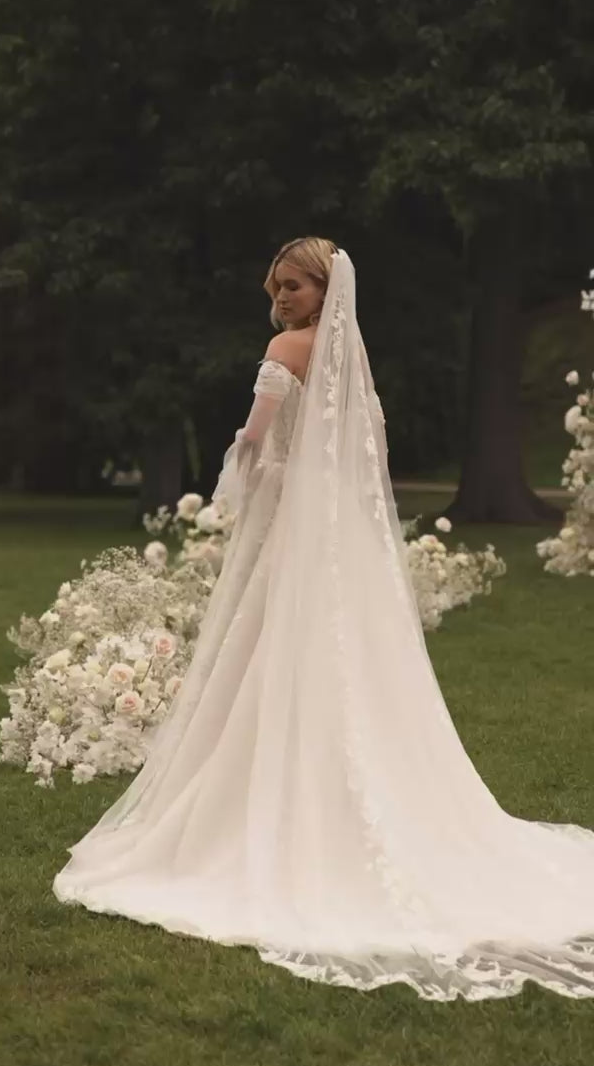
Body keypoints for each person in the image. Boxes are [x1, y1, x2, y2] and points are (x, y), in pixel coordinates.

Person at [53, 238, 594, 1002]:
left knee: (274, 647)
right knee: (334, 658)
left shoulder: (287, 351)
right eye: (277, 286)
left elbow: (254, 434)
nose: (283, 298)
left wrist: (240, 481)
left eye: (297, 286)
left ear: (324, 289)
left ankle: (277, 799)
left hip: (292, 527)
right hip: (334, 530)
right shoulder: (349, 362)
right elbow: (365, 450)